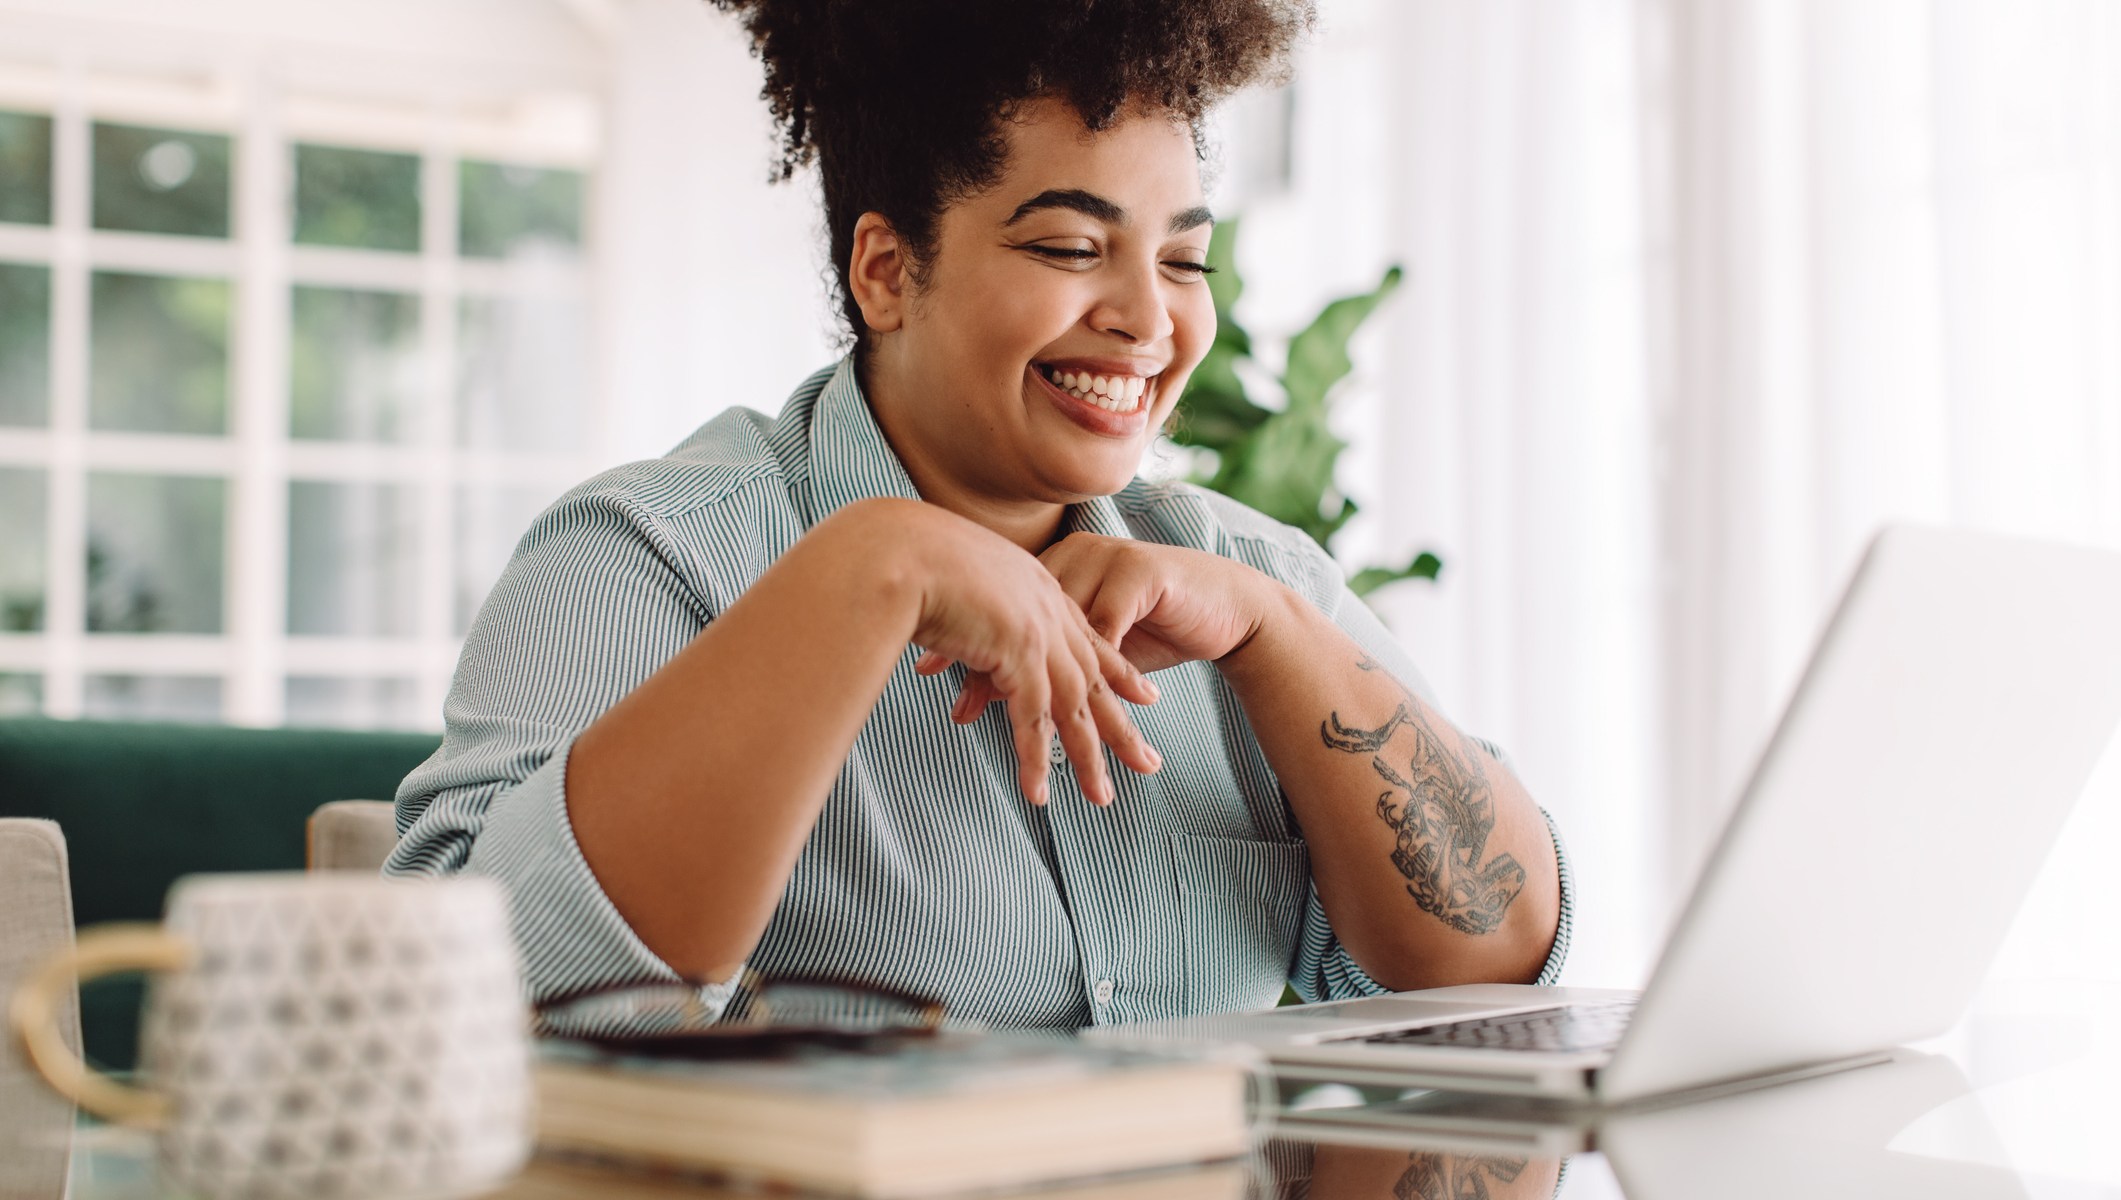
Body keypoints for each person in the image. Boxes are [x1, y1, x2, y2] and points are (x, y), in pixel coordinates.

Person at [387, 0, 1570, 1030]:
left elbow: (1499, 970)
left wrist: (1279, 642)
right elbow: (453, 1007)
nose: (1147, 320)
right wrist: (868, 571)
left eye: (1184, 262)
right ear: (887, 272)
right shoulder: (646, 558)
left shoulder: (1246, 578)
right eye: (1069, 245)